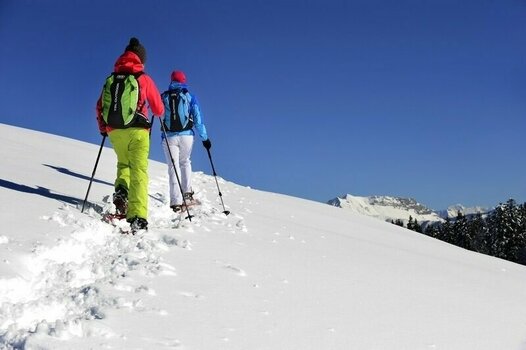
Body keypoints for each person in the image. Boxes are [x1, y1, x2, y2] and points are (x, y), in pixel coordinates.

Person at [96, 37, 164, 231]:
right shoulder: (143, 78)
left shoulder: (111, 79)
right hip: (138, 131)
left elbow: (99, 106)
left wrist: (103, 128)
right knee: (139, 171)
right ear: (141, 59)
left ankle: (121, 191)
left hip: (115, 131)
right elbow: (158, 109)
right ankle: (138, 216)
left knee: (123, 163)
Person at [161, 70, 211, 212]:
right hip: (186, 136)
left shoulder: (164, 97)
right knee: (185, 162)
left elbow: (156, 112)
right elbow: (198, 119)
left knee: (173, 166)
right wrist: (205, 138)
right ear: (184, 81)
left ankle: (175, 201)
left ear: (171, 80)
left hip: (169, 137)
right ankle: (187, 195)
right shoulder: (190, 97)